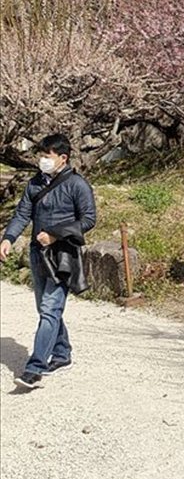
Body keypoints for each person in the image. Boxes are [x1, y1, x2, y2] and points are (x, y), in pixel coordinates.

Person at [4, 134, 96, 388]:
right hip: (37, 253)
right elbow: (22, 214)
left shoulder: (77, 185)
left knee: (49, 309)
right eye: (41, 156)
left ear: (62, 158)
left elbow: (88, 219)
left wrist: (56, 234)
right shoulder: (35, 183)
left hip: (62, 256)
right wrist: (8, 238)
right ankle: (62, 352)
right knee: (45, 309)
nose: (42, 160)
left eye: (47, 156)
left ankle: (35, 368)